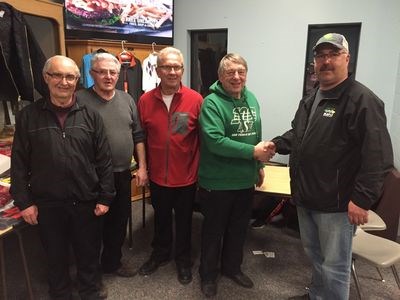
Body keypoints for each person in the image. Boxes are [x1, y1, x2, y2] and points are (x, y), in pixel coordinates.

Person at [270, 33, 394, 300]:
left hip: (336, 205)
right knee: (315, 257)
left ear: (347, 59)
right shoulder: (312, 97)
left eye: (333, 54)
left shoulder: (362, 100)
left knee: (335, 266)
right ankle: (317, 294)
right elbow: (299, 134)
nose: (326, 61)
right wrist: (275, 144)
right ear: (314, 62)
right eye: (320, 56)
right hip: (307, 198)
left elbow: (378, 156)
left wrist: (361, 200)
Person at [10, 55, 115, 299]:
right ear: (46, 78)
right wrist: (24, 202)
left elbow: (104, 160)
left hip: (86, 200)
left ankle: (89, 291)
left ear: (78, 80)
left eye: (70, 76)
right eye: (57, 75)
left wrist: (106, 197)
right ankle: (60, 293)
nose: (64, 82)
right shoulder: (28, 117)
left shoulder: (91, 116)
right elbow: (19, 163)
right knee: (55, 255)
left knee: (88, 253)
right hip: (48, 203)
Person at [197, 53, 273, 298]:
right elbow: (215, 142)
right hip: (217, 183)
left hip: (244, 181)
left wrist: (259, 166)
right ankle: (208, 275)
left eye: (241, 71)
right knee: (213, 232)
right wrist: (253, 152)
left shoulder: (251, 98)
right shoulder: (211, 103)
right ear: (220, 76)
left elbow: (256, 133)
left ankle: (232, 268)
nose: (236, 77)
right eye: (230, 72)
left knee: (238, 230)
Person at [76, 52, 148, 278]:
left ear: (119, 74)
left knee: (118, 222)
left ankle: (112, 263)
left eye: (112, 72)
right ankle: (88, 273)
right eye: (102, 72)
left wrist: (143, 167)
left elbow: (138, 135)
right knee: (91, 227)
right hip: (91, 176)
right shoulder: (78, 100)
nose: (108, 76)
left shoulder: (127, 99)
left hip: (122, 173)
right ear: (91, 74)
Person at [137, 47, 203, 285]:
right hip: (158, 177)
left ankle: (183, 259)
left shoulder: (196, 99)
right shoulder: (145, 100)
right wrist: (142, 167)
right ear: (157, 69)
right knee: (161, 217)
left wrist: (201, 171)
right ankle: (161, 253)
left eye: (177, 67)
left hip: (186, 176)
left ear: (182, 70)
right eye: (167, 66)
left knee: (185, 220)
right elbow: (140, 137)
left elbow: (203, 138)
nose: (172, 71)